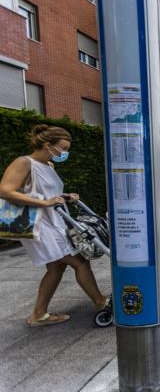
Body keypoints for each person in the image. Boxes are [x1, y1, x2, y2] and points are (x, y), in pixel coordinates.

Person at [0, 124, 108, 327]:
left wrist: (65, 197)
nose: (65, 153)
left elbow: (49, 194)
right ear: (48, 145)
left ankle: (38, 314)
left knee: (56, 267)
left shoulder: (50, 165)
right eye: (63, 148)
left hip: (55, 221)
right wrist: (45, 202)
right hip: (40, 225)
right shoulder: (24, 162)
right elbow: (5, 191)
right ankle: (101, 302)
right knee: (79, 261)